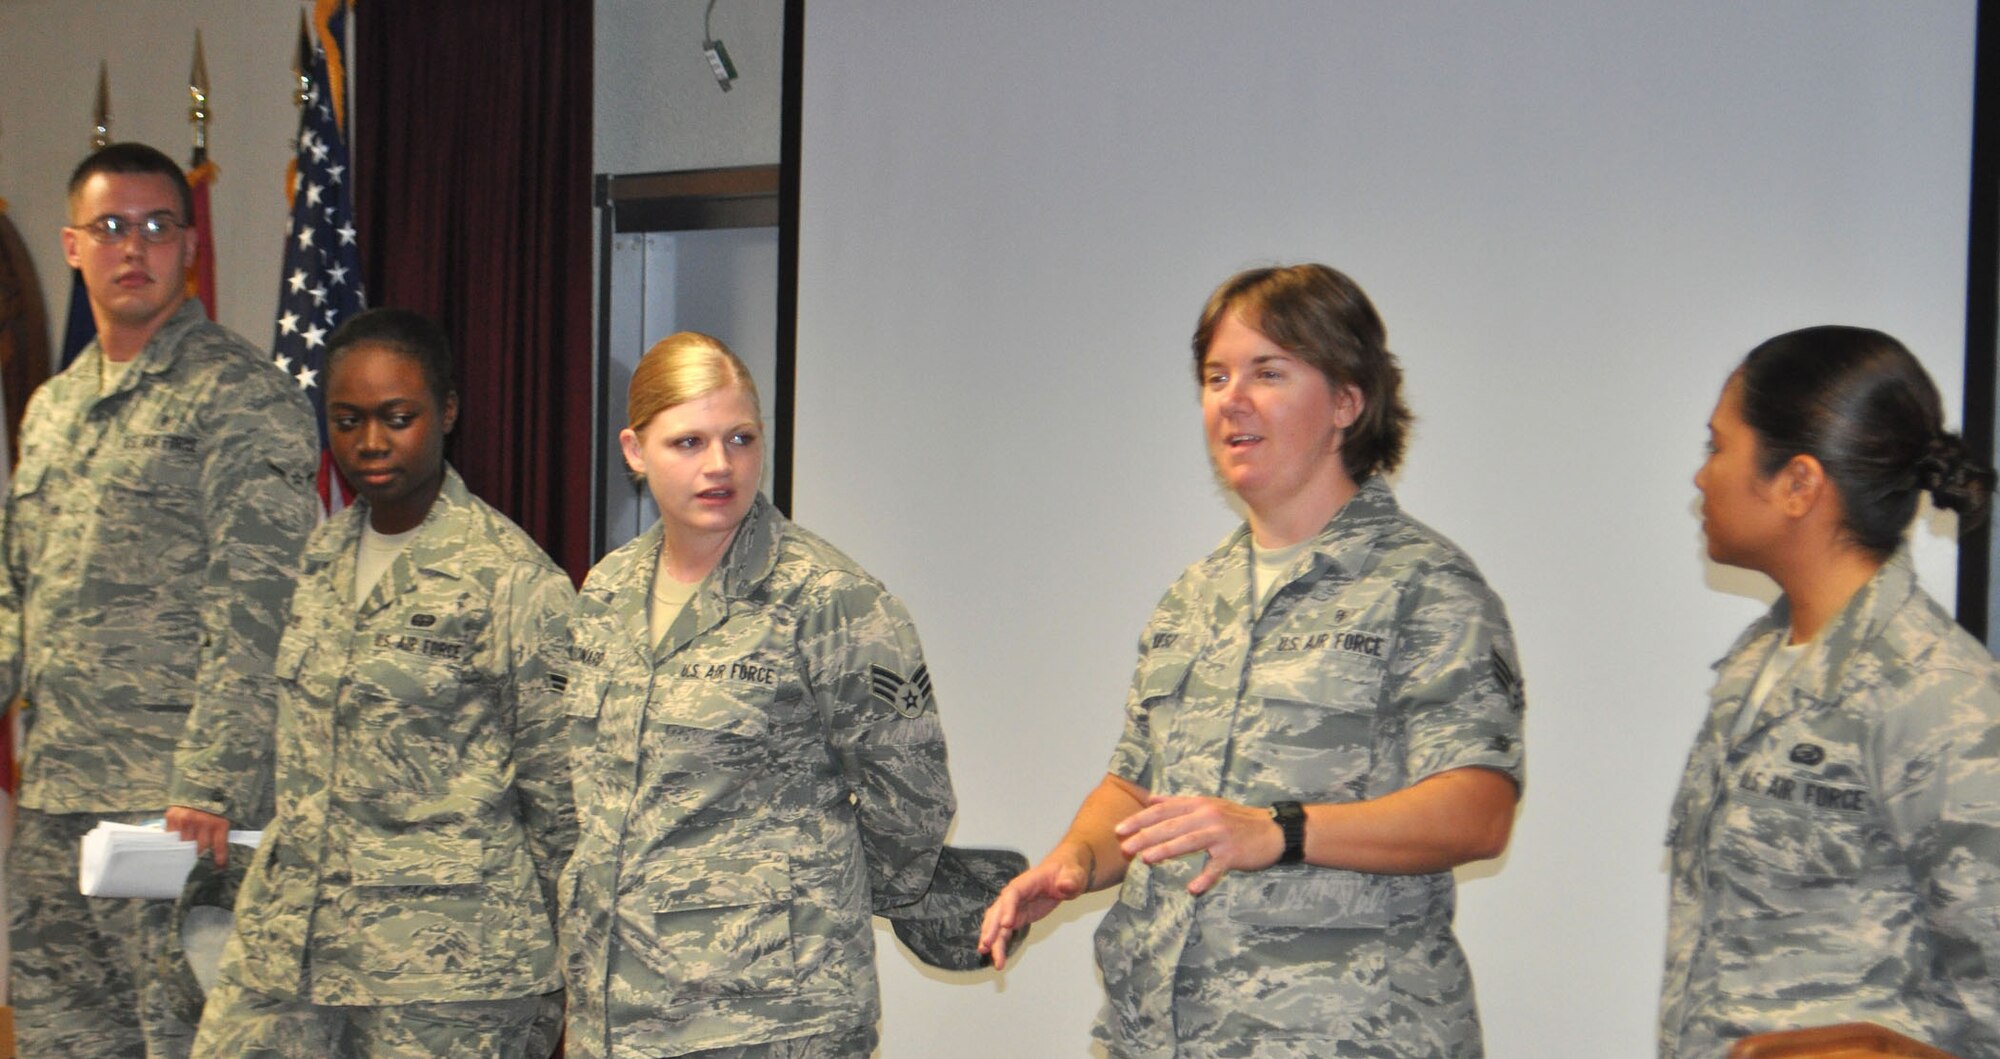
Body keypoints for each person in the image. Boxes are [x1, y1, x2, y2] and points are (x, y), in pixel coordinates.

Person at [978, 263, 1526, 1058]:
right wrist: (1074, 859)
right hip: (1158, 1035)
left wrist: (1282, 829)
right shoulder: (1193, 598)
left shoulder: (1426, 585)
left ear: (1348, 400)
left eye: (1268, 372)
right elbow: (1134, 784)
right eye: (1215, 376)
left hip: (1342, 1035)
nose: (1231, 399)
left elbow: (1478, 809)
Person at [0, 141, 319, 1056]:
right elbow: (17, 590)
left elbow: (261, 606)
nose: (133, 246)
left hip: (173, 809)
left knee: (184, 1036)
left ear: (186, 244)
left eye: (156, 226)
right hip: (59, 798)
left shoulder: (241, 397)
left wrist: (210, 781)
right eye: (110, 227)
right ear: (72, 247)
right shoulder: (52, 409)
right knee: (65, 1036)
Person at [187, 309, 577, 1057]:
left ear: (448, 411)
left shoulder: (511, 578)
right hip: (293, 946)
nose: (370, 442)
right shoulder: (320, 555)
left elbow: (563, 799)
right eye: (347, 419)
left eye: (398, 417)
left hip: (449, 970)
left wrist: (580, 971)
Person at [557, 331, 955, 1058]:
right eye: (688, 442)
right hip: (618, 1012)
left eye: (740, 438)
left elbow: (913, 804)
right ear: (635, 451)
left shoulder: (831, 600)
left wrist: (809, 906)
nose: (720, 465)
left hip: (771, 1017)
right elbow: (588, 786)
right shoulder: (606, 589)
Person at [1661, 326, 2000, 1058]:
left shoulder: (1938, 693)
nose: (1701, 476)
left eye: (1718, 448)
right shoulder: (1756, 664)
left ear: (1799, 484)